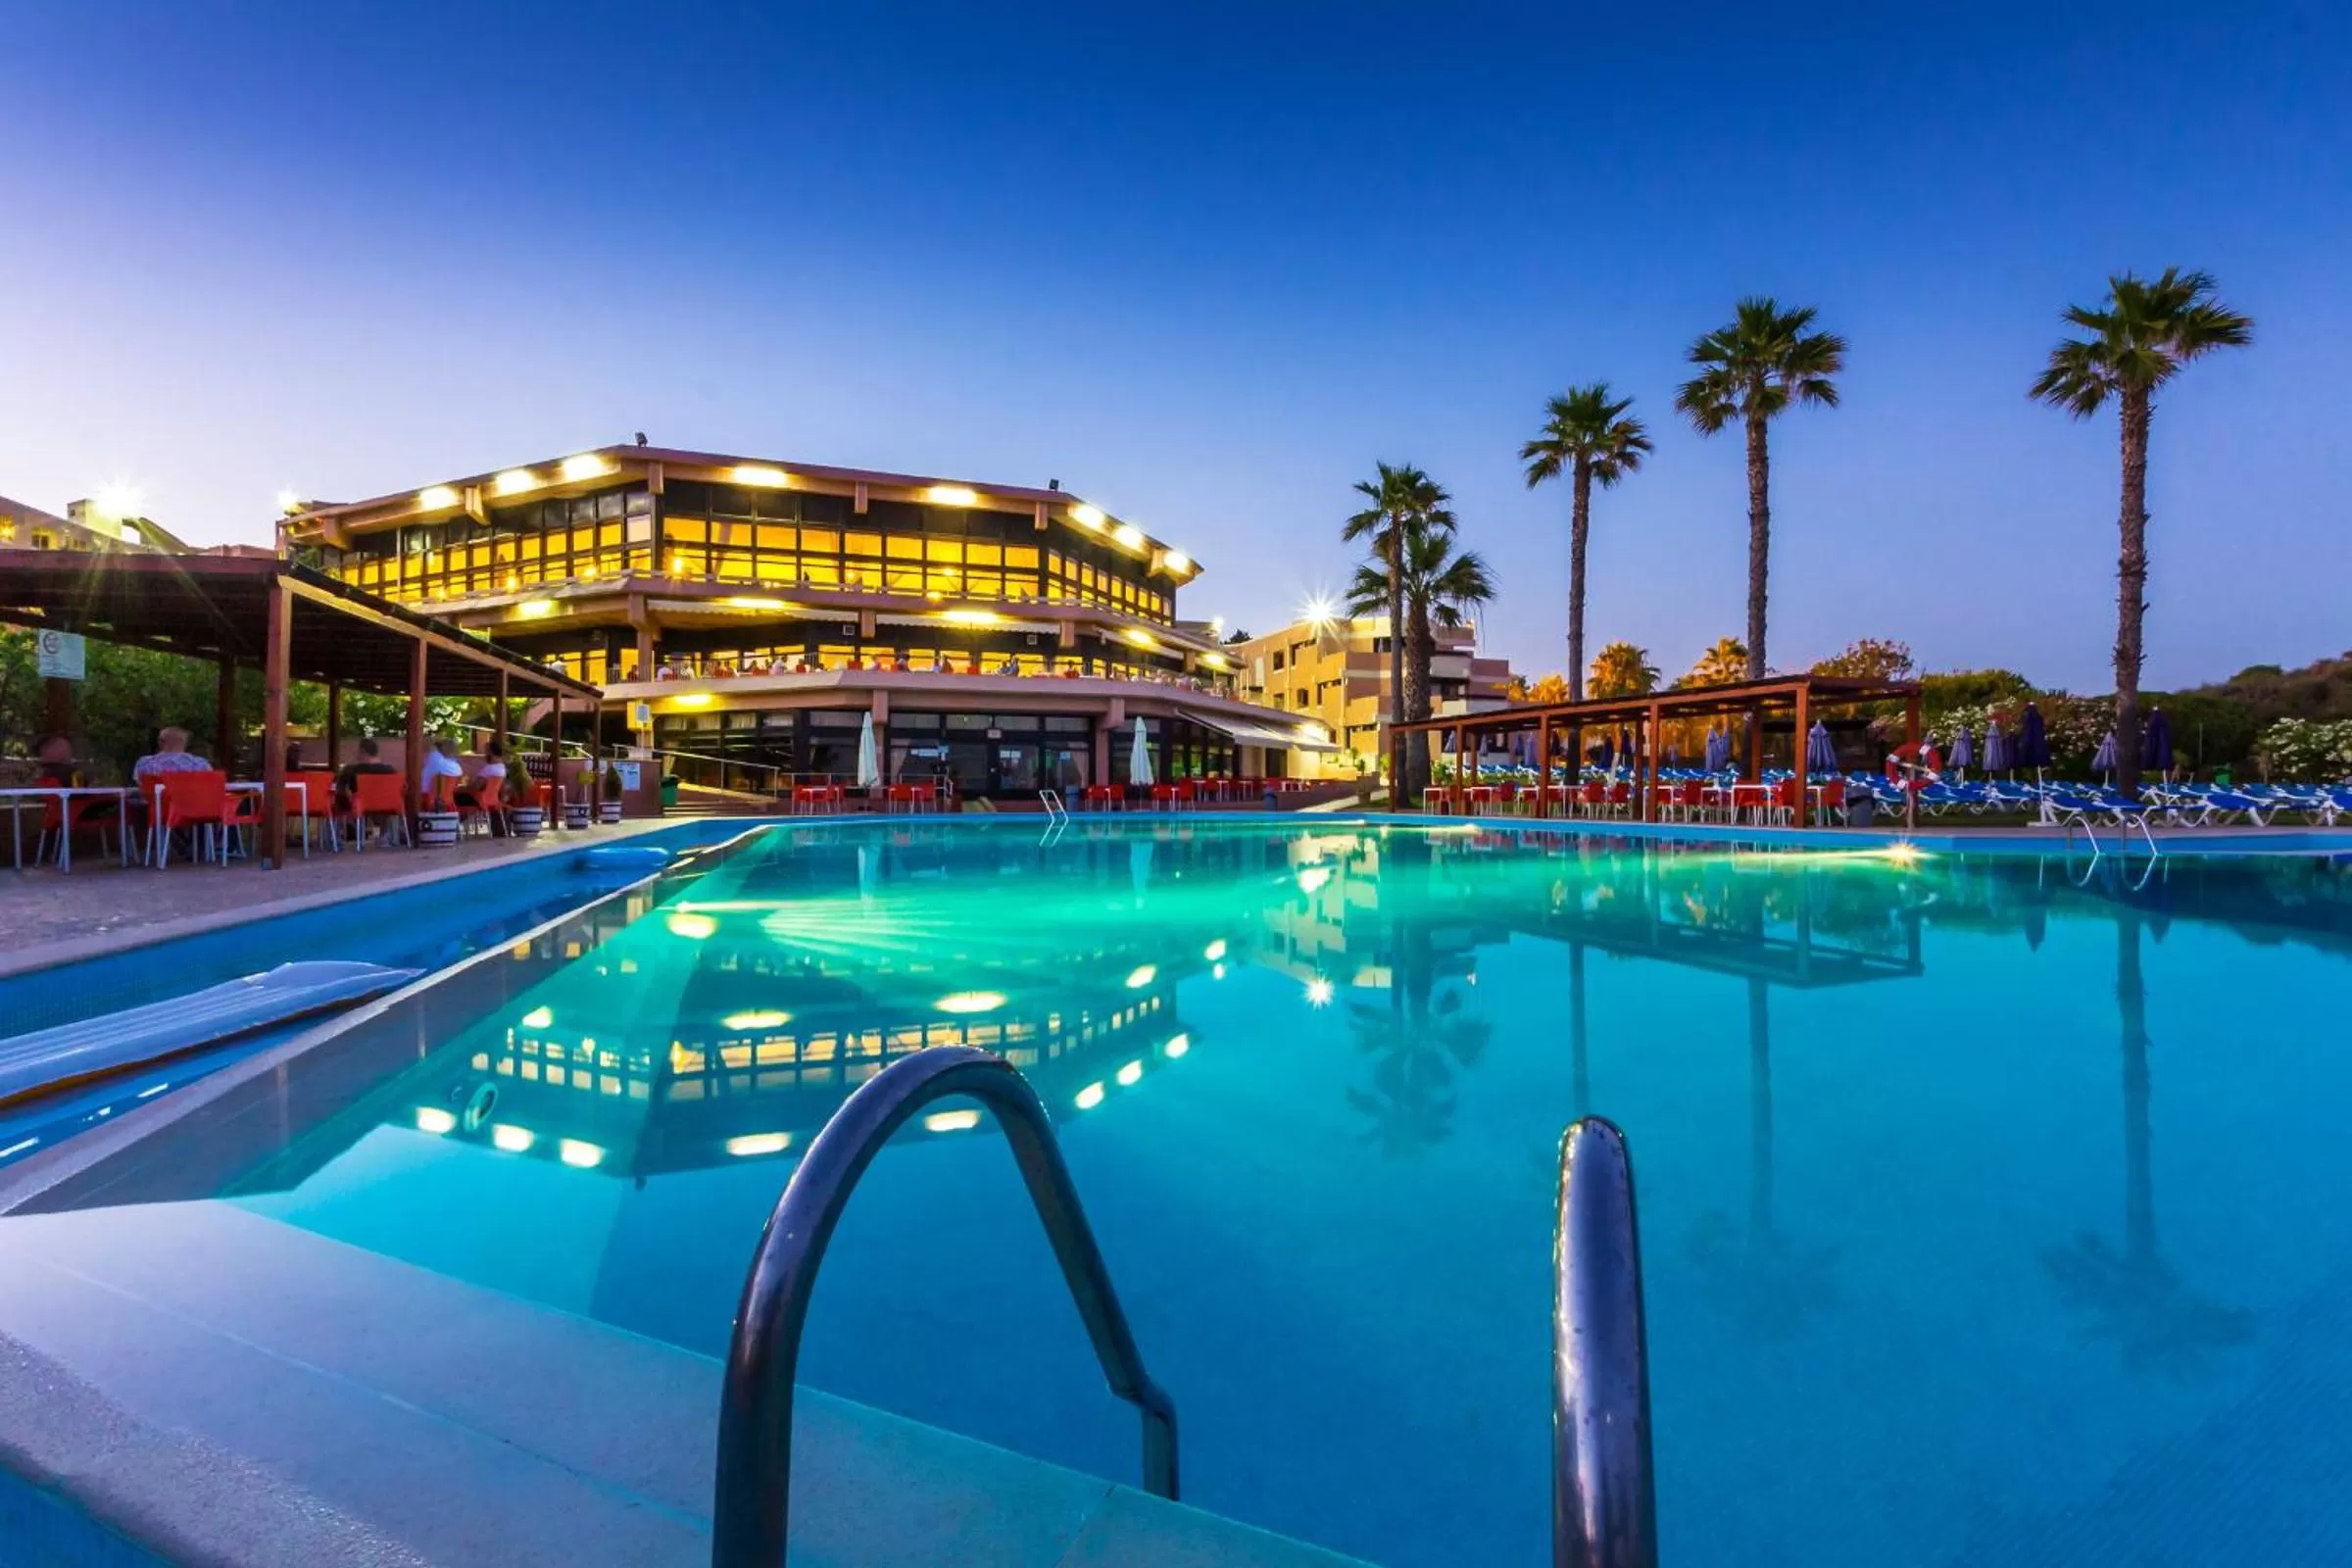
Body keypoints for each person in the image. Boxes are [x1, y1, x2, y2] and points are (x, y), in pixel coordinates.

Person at [457, 739, 512, 835]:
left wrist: (459, 789)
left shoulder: (488, 769)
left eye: (486, 750)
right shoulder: (502, 767)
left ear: (490, 752)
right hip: (493, 799)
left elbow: (475, 787)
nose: (484, 753)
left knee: (454, 798)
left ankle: (450, 827)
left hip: (480, 799)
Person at [131, 726, 211, 783]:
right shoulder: (200, 763)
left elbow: (140, 784)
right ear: (184, 742)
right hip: (190, 801)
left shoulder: (144, 762)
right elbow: (207, 786)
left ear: (160, 742)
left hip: (157, 801)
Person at [417, 737, 466, 806]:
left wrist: (437, 739)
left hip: (425, 798)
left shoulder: (435, 758)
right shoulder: (458, 768)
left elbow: (425, 741)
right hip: (448, 802)